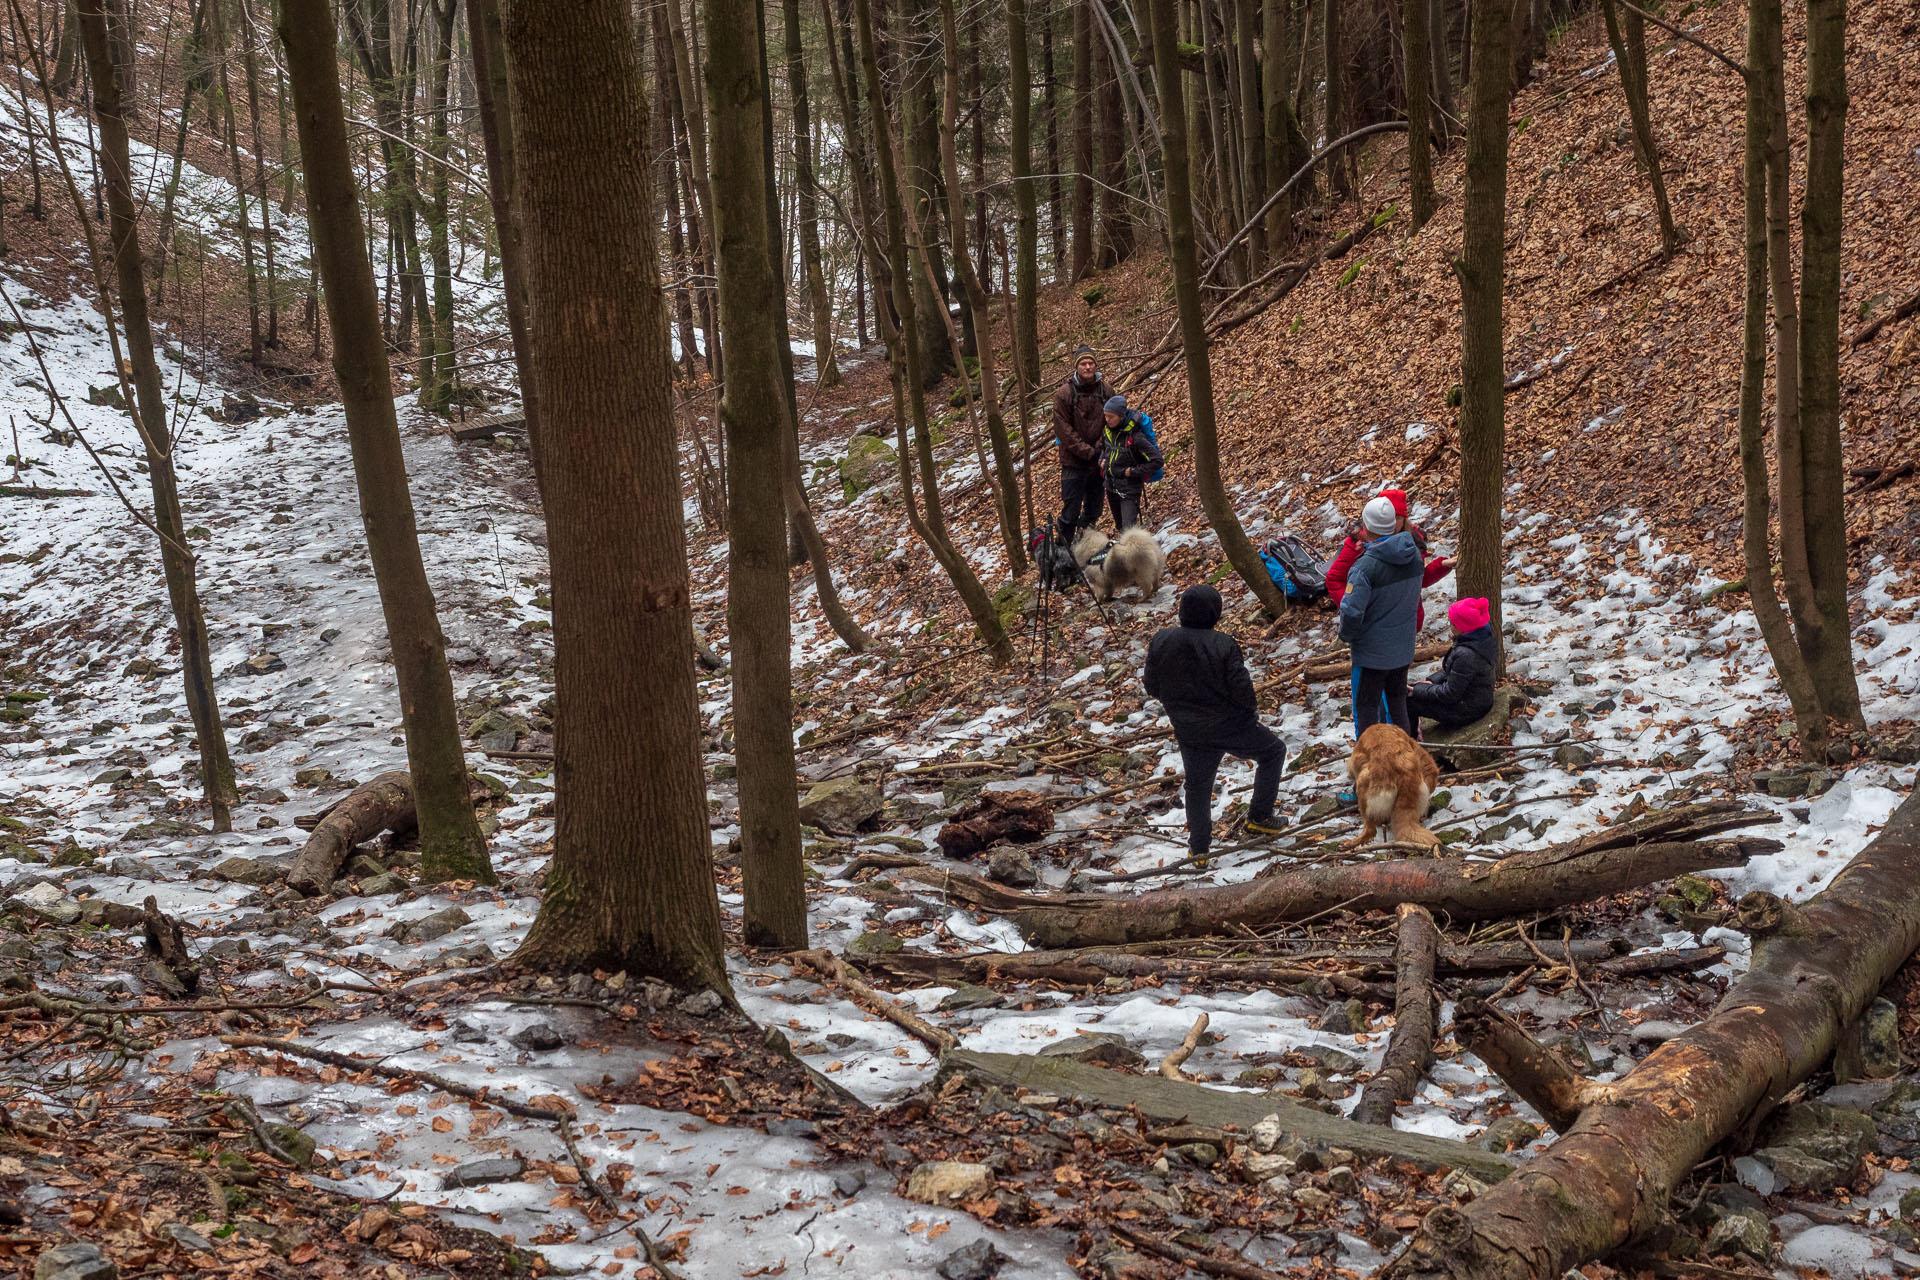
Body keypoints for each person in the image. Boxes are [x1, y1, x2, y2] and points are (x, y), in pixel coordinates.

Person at [1144, 585, 1288, 859]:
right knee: (1273, 751)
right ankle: (1259, 818)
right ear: (1215, 613)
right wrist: (1248, 717)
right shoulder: (1223, 644)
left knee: (1197, 786)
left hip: (1190, 729)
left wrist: (1178, 707)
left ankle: (1199, 850)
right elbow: (1242, 688)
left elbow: (1151, 685)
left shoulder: (1162, 640)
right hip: (1231, 725)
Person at [1327, 487, 1453, 734]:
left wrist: (1350, 630)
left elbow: (1354, 612)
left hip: (1380, 644)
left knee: (1372, 706)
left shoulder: (1375, 562)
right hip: (1393, 639)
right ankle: (1400, 753)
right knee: (1389, 705)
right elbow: (1336, 581)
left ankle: (1376, 760)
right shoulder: (1407, 553)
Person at [1338, 496, 1425, 738]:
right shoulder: (1414, 556)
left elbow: (1352, 612)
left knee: (1367, 710)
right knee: (1397, 705)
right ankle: (1405, 761)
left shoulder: (1364, 568)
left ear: (1365, 528)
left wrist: (1346, 635)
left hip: (1372, 655)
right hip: (1403, 648)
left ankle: (1371, 766)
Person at [1050, 346, 1111, 548]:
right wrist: (1087, 451)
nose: (1088, 367)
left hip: (1098, 461)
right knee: (1070, 511)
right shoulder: (1064, 394)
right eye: (1083, 364)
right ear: (1076, 367)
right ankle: (1063, 553)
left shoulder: (1106, 390)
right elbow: (1063, 430)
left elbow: (1113, 422)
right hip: (1073, 463)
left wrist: (1099, 448)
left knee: (1094, 509)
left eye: (1091, 363)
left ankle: (1084, 547)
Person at [1408, 597, 1498, 730]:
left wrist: (1418, 691)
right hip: (1476, 700)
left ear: (1463, 627)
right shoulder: (1480, 639)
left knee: (1408, 701)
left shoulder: (1466, 655)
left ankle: (1412, 737)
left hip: (1466, 710)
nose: (1450, 626)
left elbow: (1449, 694)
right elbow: (1451, 671)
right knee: (1416, 690)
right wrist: (1431, 682)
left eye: (1452, 623)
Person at [1099, 394, 1163, 531]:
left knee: (1129, 530)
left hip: (1129, 489)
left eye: (1111, 417)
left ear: (1121, 416)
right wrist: (1101, 461)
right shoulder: (1107, 431)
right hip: (1111, 486)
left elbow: (1157, 461)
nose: (1107, 420)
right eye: (1106, 416)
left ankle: (1133, 551)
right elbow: (1103, 450)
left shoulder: (1136, 437)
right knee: (1121, 527)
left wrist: (1132, 472)